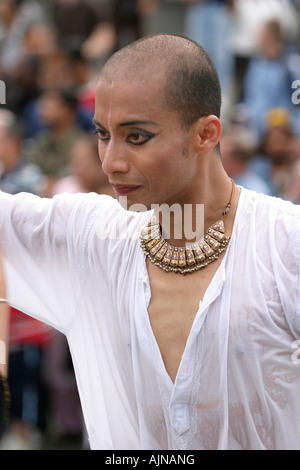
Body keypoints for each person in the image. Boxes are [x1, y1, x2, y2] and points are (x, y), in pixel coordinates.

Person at [0, 34, 299, 450]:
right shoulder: (94, 237)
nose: (111, 161)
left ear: (205, 134)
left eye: (136, 136)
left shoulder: (286, 243)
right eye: (103, 134)